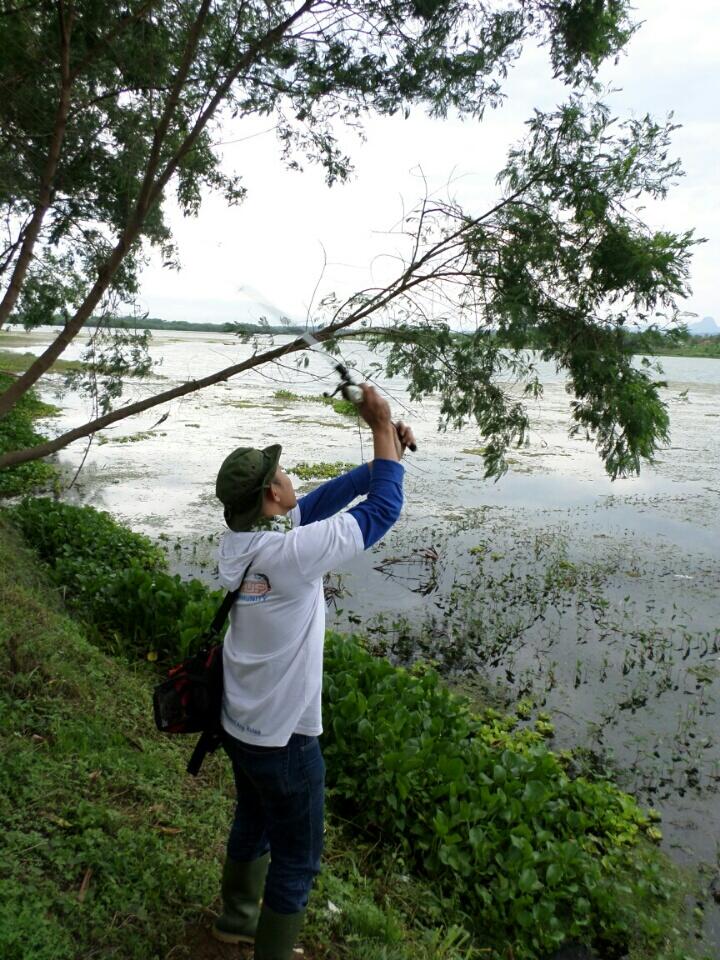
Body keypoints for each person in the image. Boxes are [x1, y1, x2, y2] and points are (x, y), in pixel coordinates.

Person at [212, 384, 415, 960]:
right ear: (274, 492)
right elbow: (382, 511)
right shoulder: (291, 554)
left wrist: (385, 457)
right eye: (284, 473)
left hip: (240, 721)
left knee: (253, 819)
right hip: (283, 738)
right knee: (298, 855)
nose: (291, 479)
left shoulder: (246, 542)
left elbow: (325, 501)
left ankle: (236, 918)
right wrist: (379, 424)